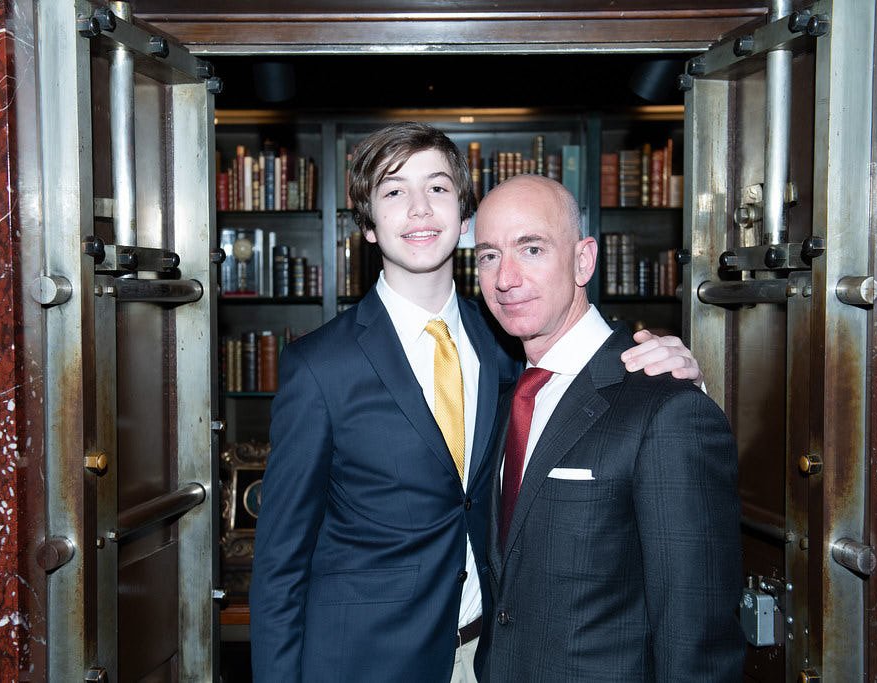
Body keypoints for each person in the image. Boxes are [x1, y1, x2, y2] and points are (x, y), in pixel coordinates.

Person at [249, 122, 704, 683]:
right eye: (394, 191)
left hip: (495, 654)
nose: (419, 208)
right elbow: (279, 566)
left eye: (438, 188)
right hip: (364, 662)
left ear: (464, 219)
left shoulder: (511, 341)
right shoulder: (318, 366)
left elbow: (594, 389)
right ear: (367, 225)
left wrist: (672, 371)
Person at [474, 174, 744, 682]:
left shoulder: (665, 407)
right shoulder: (510, 394)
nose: (505, 277)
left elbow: (697, 639)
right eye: (489, 255)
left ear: (584, 260)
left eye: (531, 248)